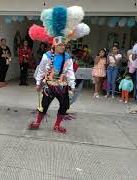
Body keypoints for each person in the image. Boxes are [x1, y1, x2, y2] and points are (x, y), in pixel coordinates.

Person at [28, 5, 88, 133]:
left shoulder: (67, 57)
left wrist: (72, 85)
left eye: (64, 45)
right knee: (43, 106)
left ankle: (56, 125)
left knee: (65, 105)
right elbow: (41, 70)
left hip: (62, 86)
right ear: (55, 45)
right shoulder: (47, 56)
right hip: (49, 86)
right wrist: (38, 83)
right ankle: (37, 122)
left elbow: (70, 72)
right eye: (60, 45)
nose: (62, 47)